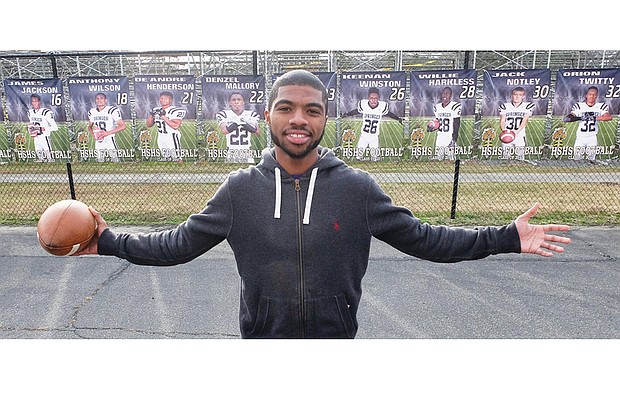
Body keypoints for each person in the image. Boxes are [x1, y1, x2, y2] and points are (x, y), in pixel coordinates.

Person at [76, 70, 571, 339]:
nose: (299, 119)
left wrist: (506, 236)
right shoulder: (239, 190)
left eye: (312, 110)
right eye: (287, 108)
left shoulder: (356, 188)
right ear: (268, 116)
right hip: (261, 339)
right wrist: (108, 242)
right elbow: (178, 244)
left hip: (335, 338)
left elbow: (425, 239)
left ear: (324, 119)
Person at [341, 87, 403, 161]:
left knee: (374, 158)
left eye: (375, 98)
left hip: (374, 137)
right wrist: (347, 114)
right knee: (358, 157)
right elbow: (357, 111)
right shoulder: (363, 105)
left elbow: (389, 114)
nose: (373, 100)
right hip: (363, 136)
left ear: (378, 98)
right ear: (368, 98)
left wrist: (398, 119)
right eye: (371, 98)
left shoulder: (382, 106)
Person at [563, 86, 612, 163]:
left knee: (591, 160)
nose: (591, 96)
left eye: (594, 94)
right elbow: (571, 116)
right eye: (590, 94)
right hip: (580, 137)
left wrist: (594, 118)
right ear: (586, 95)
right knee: (577, 160)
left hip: (592, 138)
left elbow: (608, 117)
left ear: (596, 96)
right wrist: (577, 118)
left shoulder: (600, 106)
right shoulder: (579, 106)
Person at [217, 92, 260, 163]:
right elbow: (224, 131)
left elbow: (257, 132)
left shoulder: (251, 114)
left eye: (239, 99)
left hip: (246, 151)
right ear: (230, 102)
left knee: (249, 172)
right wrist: (237, 122)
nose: (236, 102)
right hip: (231, 151)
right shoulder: (224, 114)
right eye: (233, 100)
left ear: (243, 102)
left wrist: (244, 123)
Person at [146, 91, 186, 161]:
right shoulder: (156, 110)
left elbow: (176, 126)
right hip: (161, 136)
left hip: (171, 136)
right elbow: (149, 125)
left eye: (165, 98)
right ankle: (169, 171)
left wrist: (163, 117)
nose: (162, 100)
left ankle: (181, 170)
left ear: (170, 100)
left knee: (177, 158)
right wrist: (151, 115)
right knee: (167, 158)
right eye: (161, 98)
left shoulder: (174, 110)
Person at [87, 93, 127, 162]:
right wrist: (93, 134)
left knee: (115, 160)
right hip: (99, 139)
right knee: (99, 160)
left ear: (106, 100)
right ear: (95, 100)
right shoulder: (92, 112)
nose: (99, 100)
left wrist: (107, 133)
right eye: (97, 98)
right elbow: (89, 126)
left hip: (109, 138)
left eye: (101, 98)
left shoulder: (112, 110)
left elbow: (123, 126)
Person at [499, 87, 535, 161]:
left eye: (520, 95)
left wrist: (516, 132)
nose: (517, 97)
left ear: (523, 96)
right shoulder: (505, 106)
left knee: (520, 157)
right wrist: (504, 131)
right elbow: (502, 121)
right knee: (506, 157)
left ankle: (519, 169)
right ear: (511, 95)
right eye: (515, 94)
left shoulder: (527, 106)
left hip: (519, 134)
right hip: (507, 133)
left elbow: (525, 120)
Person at [427, 87, 461, 160]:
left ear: (451, 95)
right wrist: (431, 128)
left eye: (447, 93)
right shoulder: (437, 107)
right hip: (440, 137)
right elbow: (437, 122)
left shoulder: (455, 106)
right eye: (443, 93)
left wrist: (454, 140)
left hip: (449, 137)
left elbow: (457, 123)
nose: (445, 95)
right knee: (439, 160)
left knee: (451, 160)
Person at [27, 94, 58, 162]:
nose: (34, 103)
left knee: (50, 158)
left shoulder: (46, 112)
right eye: (33, 101)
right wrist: (30, 127)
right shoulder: (30, 112)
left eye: (36, 101)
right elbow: (31, 123)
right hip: (36, 136)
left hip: (44, 136)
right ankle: (41, 159)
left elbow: (55, 127)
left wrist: (44, 128)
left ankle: (50, 159)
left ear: (40, 102)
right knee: (40, 157)